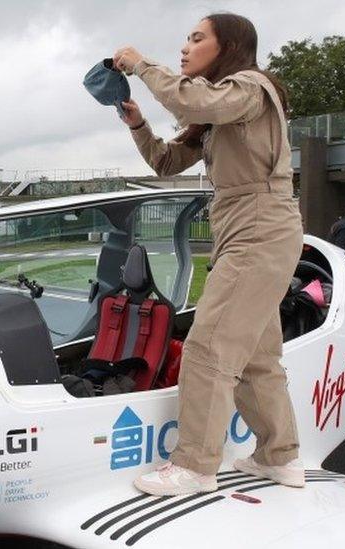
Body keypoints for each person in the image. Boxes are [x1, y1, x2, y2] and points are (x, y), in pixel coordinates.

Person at [113, 14, 304, 496]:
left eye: (197, 39)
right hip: (250, 228)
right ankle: (279, 458)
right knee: (258, 357)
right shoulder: (221, 109)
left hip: (258, 228)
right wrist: (138, 124)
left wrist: (140, 64)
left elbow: (187, 95)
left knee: (208, 346)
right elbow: (166, 162)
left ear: (230, 47)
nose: (184, 47)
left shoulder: (249, 87)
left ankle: (195, 466)